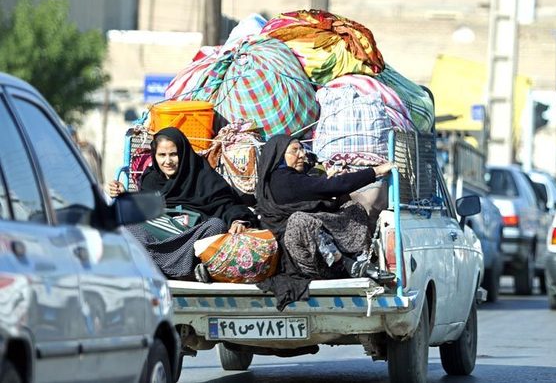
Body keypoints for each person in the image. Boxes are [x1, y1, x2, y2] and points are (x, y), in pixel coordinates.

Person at [255, 134, 396, 309]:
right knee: (300, 221)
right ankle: (346, 264)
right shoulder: (281, 179)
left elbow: (313, 187)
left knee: (354, 208)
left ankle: (357, 259)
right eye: (294, 150)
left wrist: (325, 179)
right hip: (299, 260)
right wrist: (376, 171)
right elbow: (331, 187)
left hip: (319, 254)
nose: (302, 155)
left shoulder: (292, 177)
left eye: (302, 149)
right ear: (279, 156)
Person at [108, 127, 258, 281]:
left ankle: (160, 267)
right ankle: (187, 272)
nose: (167, 161)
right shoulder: (151, 178)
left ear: (183, 153)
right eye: (162, 155)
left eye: (173, 154)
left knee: (216, 226)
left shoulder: (202, 175)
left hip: (190, 238)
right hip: (161, 238)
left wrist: (238, 219)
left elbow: (226, 204)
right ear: (155, 155)